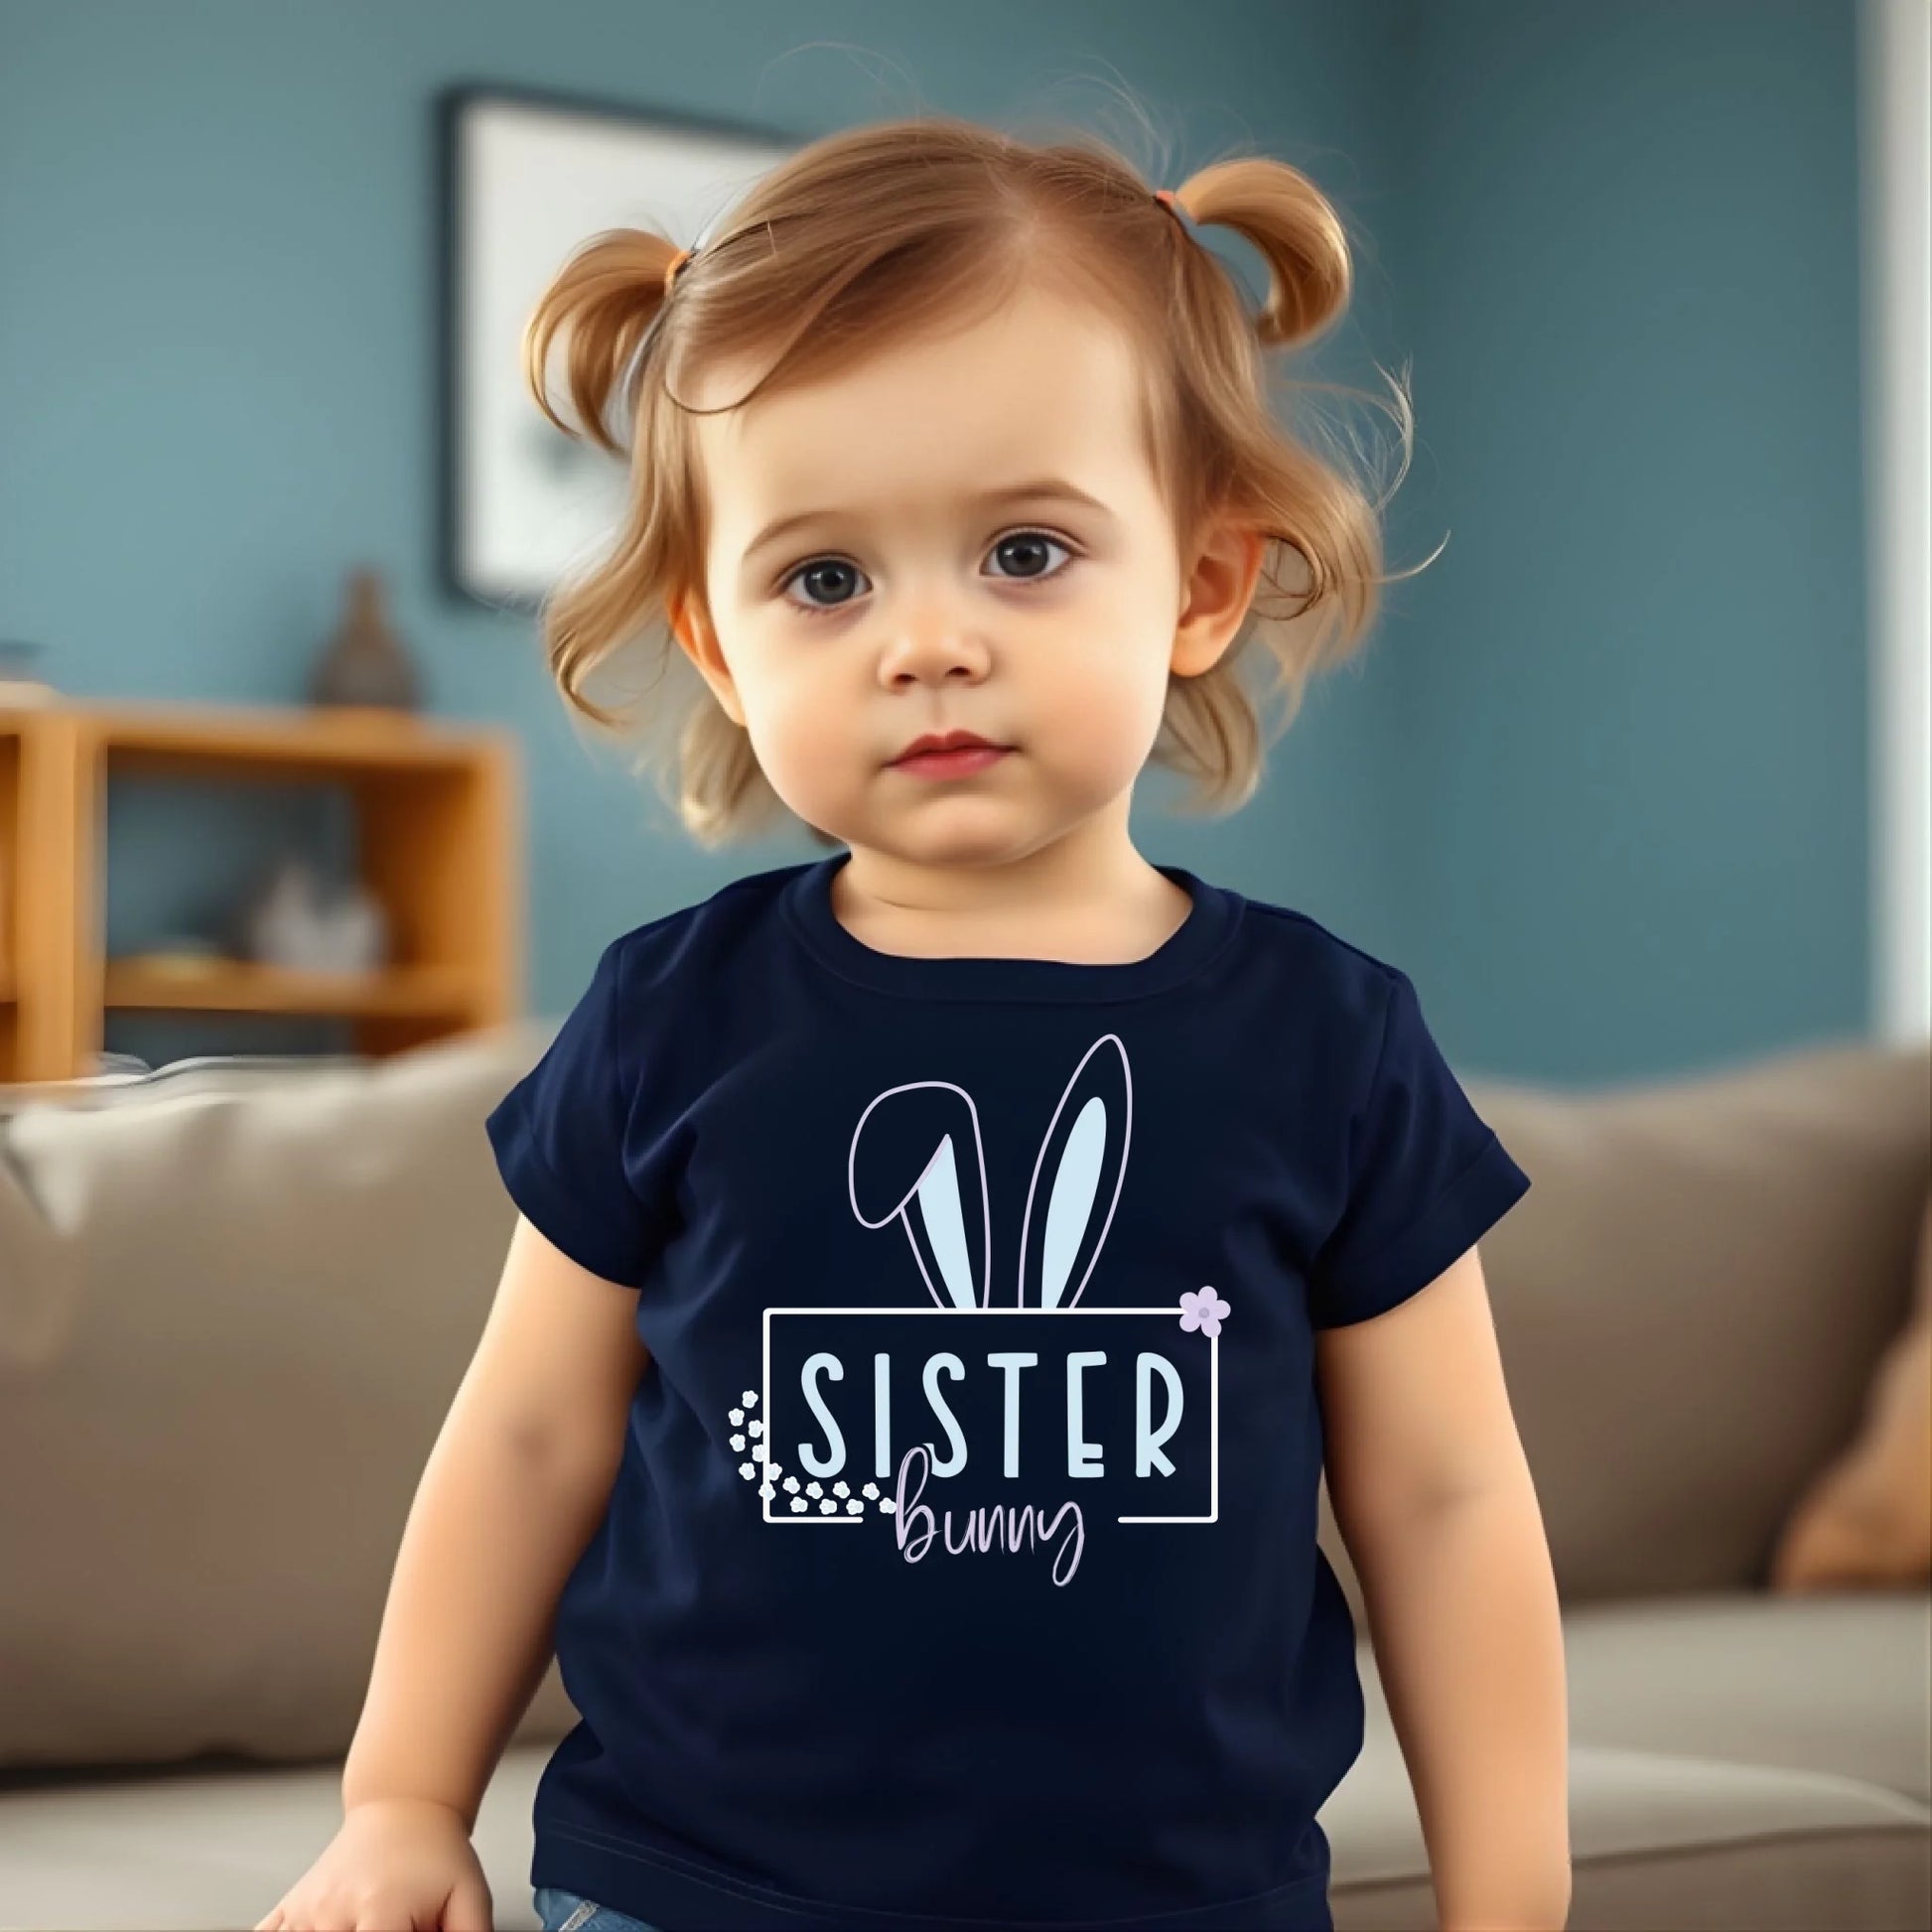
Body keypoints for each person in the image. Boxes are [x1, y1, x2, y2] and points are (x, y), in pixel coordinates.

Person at [257, 109, 1569, 1932]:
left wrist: (1511, 1902)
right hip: (692, 1894)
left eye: (1024, 551)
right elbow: (529, 1435)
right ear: (720, 642)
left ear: (1199, 582)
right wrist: (400, 1798)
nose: (924, 641)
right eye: (824, 578)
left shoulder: (1327, 1042)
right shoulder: (669, 1018)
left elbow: (1440, 1497)